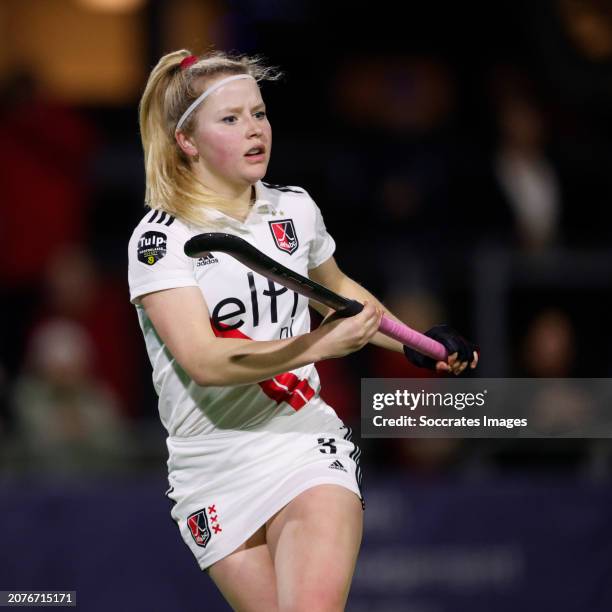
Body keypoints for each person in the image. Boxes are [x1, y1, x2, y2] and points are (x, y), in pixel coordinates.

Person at [128, 49, 478, 611]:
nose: (255, 130)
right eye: (231, 119)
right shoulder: (159, 241)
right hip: (209, 466)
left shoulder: (295, 210)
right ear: (187, 141)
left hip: (301, 441)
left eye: (259, 114)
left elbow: (342, 296)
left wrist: (418, 343)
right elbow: (204, 362)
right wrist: (320, 344)